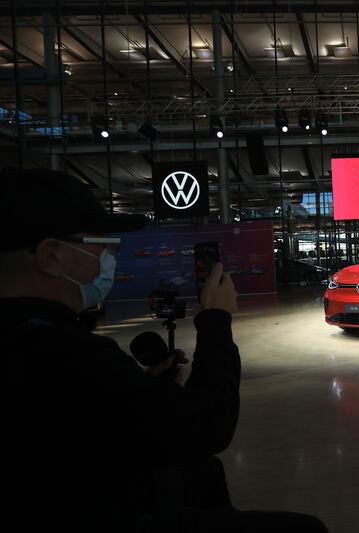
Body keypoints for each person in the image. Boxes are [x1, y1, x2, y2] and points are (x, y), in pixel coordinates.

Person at [0, 168, 327, 532]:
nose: (108, 257)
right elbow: (206, 427)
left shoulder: (33, 339)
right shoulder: (62, 352)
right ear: (52, 257)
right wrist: (216, 319)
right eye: (100, 244)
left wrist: (143, 387)